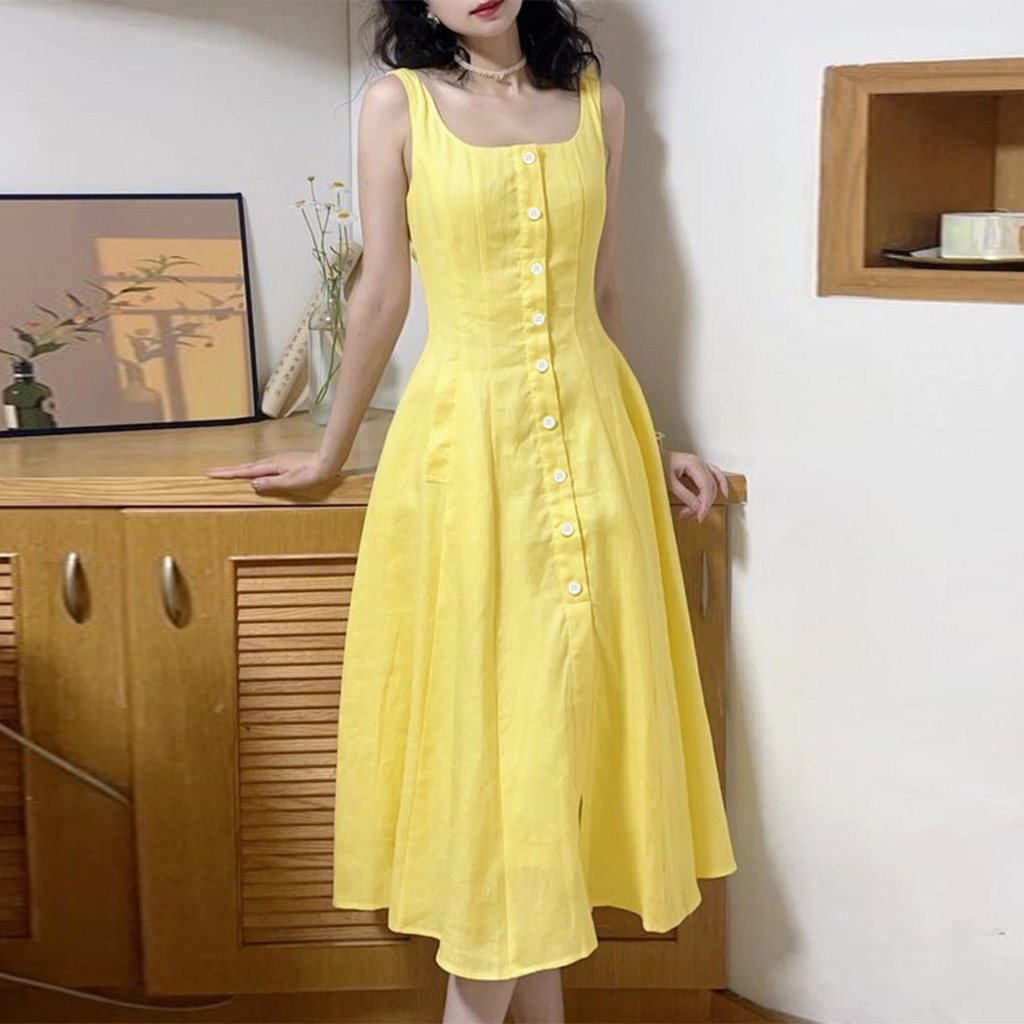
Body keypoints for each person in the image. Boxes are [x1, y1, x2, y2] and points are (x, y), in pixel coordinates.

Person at [207, 2, 738, 1021]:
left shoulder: (601, 107)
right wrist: (330, 452)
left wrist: (656, 436)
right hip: (464, 451)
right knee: (497, 730)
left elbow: (602, 296)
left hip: (596, 445)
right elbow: (381, 293)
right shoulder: (394, 106)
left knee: (560, 725)